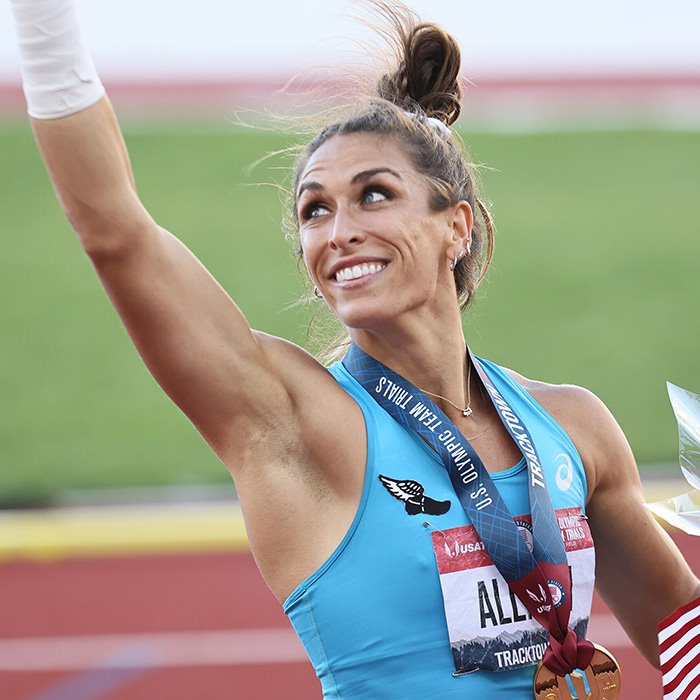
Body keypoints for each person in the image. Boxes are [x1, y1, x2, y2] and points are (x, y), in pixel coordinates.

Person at [9, 0, 699, 697]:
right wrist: (42, 20)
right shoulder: (291, 423)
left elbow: (684, 629)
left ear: (457, 227)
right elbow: (114, 230)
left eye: (374, 195)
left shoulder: (574, 427)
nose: (339, 232)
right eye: (316, 209)